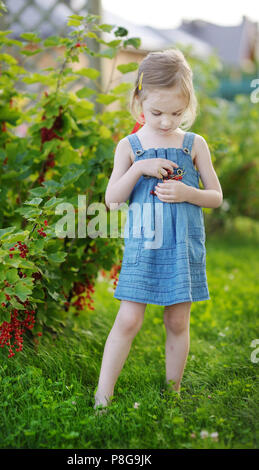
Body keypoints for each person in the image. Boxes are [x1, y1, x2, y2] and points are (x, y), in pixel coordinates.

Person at [94, 48, 223, 413]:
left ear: (188, 106)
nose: (166, 122)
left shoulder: (194, 144)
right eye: (156, 112)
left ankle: (173, 391)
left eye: (176, 113)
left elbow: (215, 196)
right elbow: (112, 200)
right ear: (139, 102)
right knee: (129, 319)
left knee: (178, 320)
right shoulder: (130, 147)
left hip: (182, 248)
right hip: (143, 247)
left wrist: (188, 193)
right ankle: (102, 396)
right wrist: (138, 170)